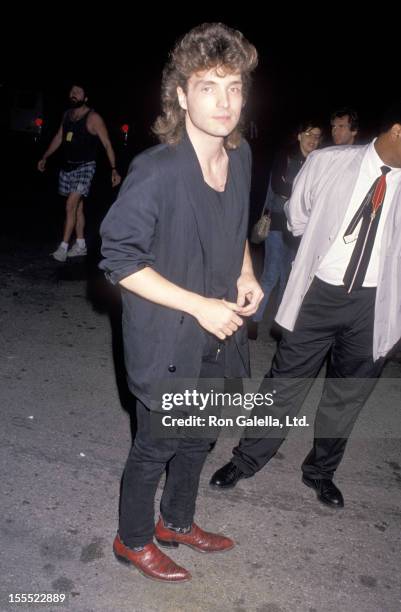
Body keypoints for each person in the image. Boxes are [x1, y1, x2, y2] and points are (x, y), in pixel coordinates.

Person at [99, 23, 262, 582]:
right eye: (209, 86)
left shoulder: (239, 158)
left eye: (235, 86)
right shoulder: (157, 170)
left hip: (220, 333)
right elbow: (119, 261)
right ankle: (133, 539)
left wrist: (246, 274)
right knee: (157, 444)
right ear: (181, 95)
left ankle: (177, 520)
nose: (225, 101)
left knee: (201, 435)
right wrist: (197, 304)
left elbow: (237, 228)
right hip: (170, 336)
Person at [210, 105, 401, 510]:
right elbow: (296, 219)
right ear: (398, 132)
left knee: (348, 393)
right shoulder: (328, 161)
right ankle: (245, 459)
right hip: (319, 293)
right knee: (284, 382)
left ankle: (321, 472)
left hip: (374, 303)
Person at [37, 83, 121, 262]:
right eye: (72, 91)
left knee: (70, 205)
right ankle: (81, 244)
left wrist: (114, 169)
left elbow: (107, 143)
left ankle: (63, 247)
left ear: (86, 97)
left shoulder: (93, 118)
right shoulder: (67, 115)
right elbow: (59, 137)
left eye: (78, 92)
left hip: (86, 167)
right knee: (78, 208)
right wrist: (45, 157)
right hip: (68, 167)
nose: (73, 94)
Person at [252, 120, 323, 326]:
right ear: (299, 135)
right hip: (277, 222)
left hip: (301, 227)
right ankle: (254, 320)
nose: (313, 140)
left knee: (289, 276)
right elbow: (277, 185)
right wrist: (304, 195)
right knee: (271, 273)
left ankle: (279, 323)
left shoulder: (319, 160)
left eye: (317, 136)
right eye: (309, 134)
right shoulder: (285, 155)